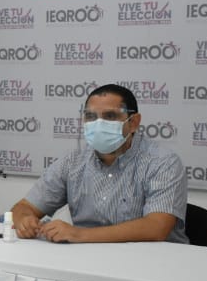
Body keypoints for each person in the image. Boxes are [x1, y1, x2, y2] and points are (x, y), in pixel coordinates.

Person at [10, 83, 187, 243]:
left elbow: (156, 228)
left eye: (110, 116)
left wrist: (78, 234)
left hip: (153, 261)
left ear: (133, 122)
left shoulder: (163, 162)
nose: (99, 124)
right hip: (88, 259)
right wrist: (24, 220)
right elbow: (24, 207)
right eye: (91, 116)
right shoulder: (72, 161)